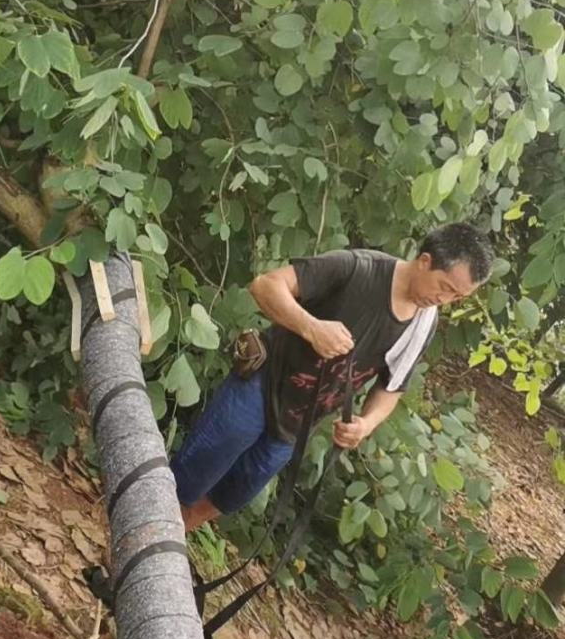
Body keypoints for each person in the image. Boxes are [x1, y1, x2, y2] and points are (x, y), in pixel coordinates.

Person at [172, 223, 493, 533]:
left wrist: (366, 424)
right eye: (446, 287)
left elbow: (392, 386)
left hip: (297, 425)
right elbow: (265, 285)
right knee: (189, 477)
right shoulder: (357, 269)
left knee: (229, 496)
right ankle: (129, 531)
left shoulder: (424, 323)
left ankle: (154, 547)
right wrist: (311, 327)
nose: (444, 300)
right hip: (263, 383)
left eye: (456, 298)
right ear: (425, 261)